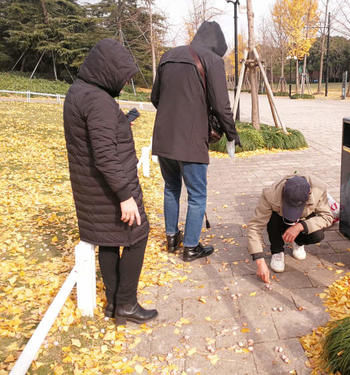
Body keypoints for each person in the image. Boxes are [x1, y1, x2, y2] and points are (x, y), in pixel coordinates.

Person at [63, 39, 157, 325]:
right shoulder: (98, 101)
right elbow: (104, 155)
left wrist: (119, 124)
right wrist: (124, 195)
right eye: (123, 76)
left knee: (107, 241)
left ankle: (114, 304)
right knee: (137, 234)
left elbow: (96, 139)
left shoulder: (79, 92)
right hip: (107, 188)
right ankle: (126, 303)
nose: (125, 81)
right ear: (108, 70)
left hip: (91, 188)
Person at [151, 21, 240, 261]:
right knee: (197, 195)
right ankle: (190, 247)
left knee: (171, 188)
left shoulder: (167, 56)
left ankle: (172, 238)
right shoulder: (212, 60)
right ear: (216, 45)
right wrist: (231, 135)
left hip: (163, 139)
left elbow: (155, 98)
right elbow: (222, 106)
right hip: (190, 142)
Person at [247, 175, 335, 283]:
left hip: (302, 220)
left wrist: (300, 226)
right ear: (283, 193)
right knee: (271, 218)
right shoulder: (270, 195)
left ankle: (298, 241)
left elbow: (327, 217)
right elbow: (255, 226)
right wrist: (260, 261)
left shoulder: (318, 189)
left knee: (317, 234)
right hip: (279, 219)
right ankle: (277, 251)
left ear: (309, 194)